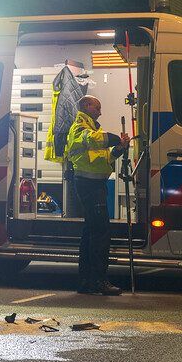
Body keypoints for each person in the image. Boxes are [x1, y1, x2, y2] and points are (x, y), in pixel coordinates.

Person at [66, 95, 130, 295]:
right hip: (89, 185)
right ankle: (99, 281)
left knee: (91, 233)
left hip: (95, 185)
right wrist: (115, 138)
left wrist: (118, 149)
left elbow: (105, 157)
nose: (100, 111)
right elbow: (92, 141)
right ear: (86, 106)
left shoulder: (92, 129)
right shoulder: (80, 127)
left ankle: (86, 282)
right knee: (100, 233)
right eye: (97, 107)